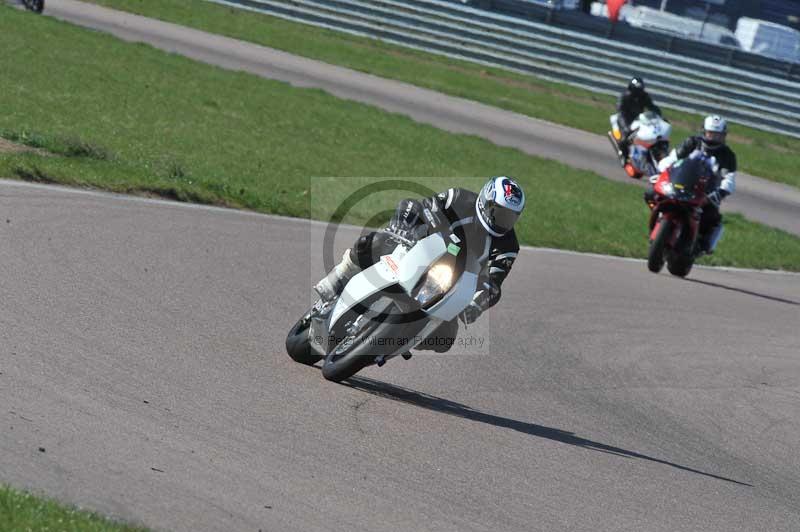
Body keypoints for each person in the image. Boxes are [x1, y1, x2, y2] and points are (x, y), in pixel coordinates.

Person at [314, 177, 525, 353]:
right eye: (498, 212)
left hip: (451, 283)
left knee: (446, 339)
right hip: (421, 250)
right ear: (485, 201)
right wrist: (402, 227)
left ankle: (397, 341)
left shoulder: (508, 245)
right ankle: (339, 276)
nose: (502, 221)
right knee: (374, 242)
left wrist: (477, 305)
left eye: (509, 217)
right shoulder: (459, 198)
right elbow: (419, 206)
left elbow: (494, 284)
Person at [658, 115, 737, 253]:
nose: (713, 138)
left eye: (718, 136)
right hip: (681, 185)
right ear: (704, 132)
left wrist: (721, 192)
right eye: (711, 134)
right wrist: (662, 172)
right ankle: (659, 222)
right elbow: (671, 159)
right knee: (652, 194)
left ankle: (703, 246)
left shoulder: (728, 155)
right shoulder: (691, 143)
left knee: (713, 218)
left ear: (724, 136)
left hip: (707, 193)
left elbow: (729, 178)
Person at [616, 77, 663, 162]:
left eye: (639, 89)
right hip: (626, 120)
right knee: (624, 138)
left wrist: (660, 116)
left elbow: (652, 107)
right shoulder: (624, 97)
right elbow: (621, 112)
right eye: (636, 89)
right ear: (631, 88)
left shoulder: (644, 96)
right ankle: (624, 155)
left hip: (639, 120)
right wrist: (626, 126)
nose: (638, 92)